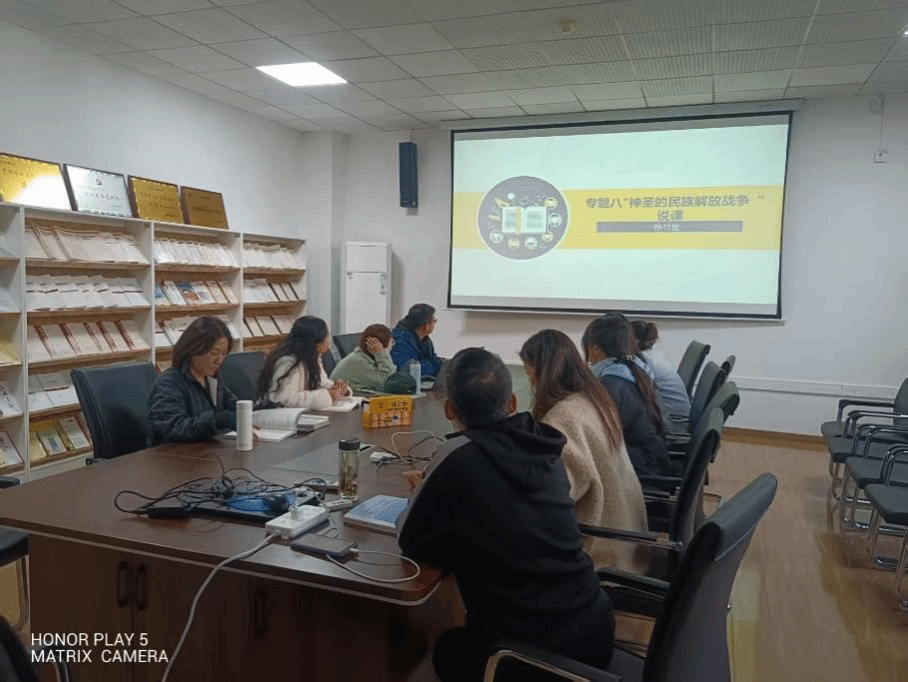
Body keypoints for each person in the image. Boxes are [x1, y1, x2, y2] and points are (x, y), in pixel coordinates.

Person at [397, 348, 615, 682]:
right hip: (595, 630)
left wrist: (422, 491)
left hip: (528, 657)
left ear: (449, 409)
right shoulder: (545, 447)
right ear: (513, 402)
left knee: (447, 650)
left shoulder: (456, 457)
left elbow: (409, 538)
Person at [519, 330, 649, 573]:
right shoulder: (594, 398)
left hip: (600, 552)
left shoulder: (564, 417)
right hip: (627, 536)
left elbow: (556, 495)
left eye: (529, 373)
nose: (531, 384)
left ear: (543, 372)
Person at [582, 313, 672, 478]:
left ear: (595, 349)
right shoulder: (633, 367)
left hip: (645, 466)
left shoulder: (612, 383)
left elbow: (594, 432)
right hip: (653, 456)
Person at [147, 316, 237, 445]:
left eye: (223, 354)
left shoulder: (211, 378)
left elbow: (233, 405)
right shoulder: (169, 382)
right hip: (174, 454)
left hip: (205, 450)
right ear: (194, 348)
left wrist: (254, 408)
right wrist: (219, 421)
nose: (219, 360)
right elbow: (173, 428)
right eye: (214, 353)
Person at [257, 316, 351, 409]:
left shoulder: (313, 358)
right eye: (326, 337)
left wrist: (336, 389)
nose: (328, 342)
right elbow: (284, 400)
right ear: (315, 342)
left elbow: (320, 382)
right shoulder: (289, 363)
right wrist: (328, 395)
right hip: (280, 415)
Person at [631, 320, 691, 425]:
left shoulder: (644, 361)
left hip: (674, 421)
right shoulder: (653, 354)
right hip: (676, 415)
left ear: (635, 341)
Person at [329, 324, 397, 393]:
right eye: (391, 342)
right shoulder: (359, 361)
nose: (392, 345)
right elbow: (389, 383)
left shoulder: (365, 357)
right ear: (382, 345)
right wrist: (381, 353)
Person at [390, 303, 443, 378]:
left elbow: (433, 360)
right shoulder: (400, 339)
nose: (434, 324)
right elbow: (411, 369)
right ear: (426, 325)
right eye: (434, 321)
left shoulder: (425, 339)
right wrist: (435, 366)